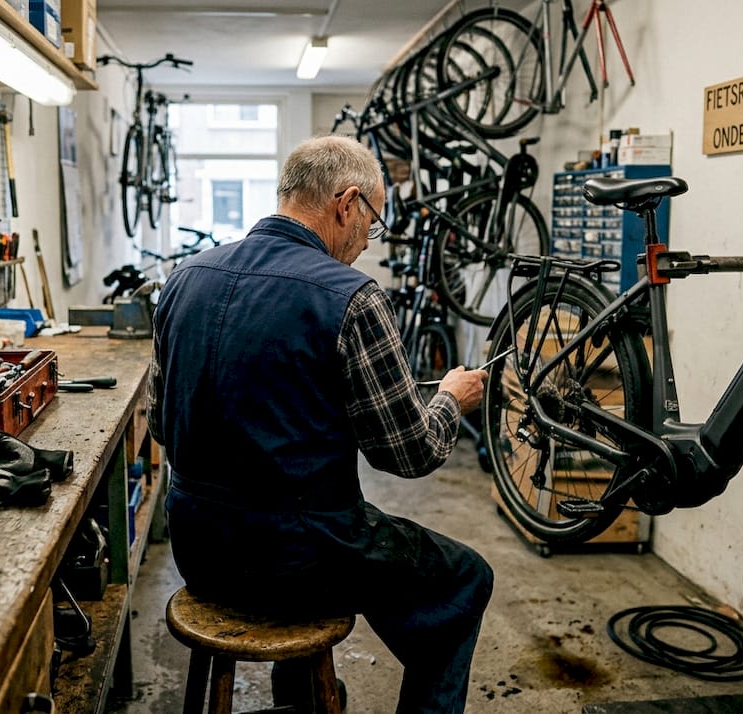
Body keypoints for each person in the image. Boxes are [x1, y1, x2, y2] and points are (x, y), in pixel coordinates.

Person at [148, 135, 492, 712]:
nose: (367, 241)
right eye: (372, 222)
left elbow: (162, 424)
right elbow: (409, 454)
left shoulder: (184, 278)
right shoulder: (352, 297)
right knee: (465, 579)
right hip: (302, 560)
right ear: (347, 203)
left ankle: (304, 696)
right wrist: (451, 400)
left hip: (199, 547)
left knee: (322, 526)